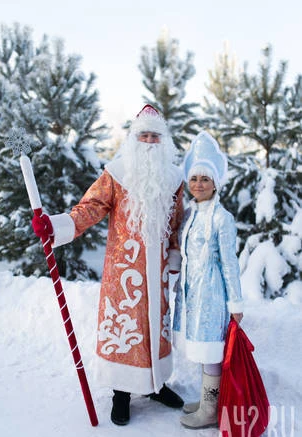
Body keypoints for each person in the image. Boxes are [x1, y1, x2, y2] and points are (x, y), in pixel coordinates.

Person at [32, 104, 184, 426]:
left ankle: (156, 385)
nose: (148, 141)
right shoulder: (116, 173)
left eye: (155, 136)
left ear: (164, 141)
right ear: (132, 138)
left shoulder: (173, 179)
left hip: (157, 275)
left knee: (155, 328)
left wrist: (174, 254)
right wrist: (57, 226)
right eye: (143, 134)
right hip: (123, 271)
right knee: (125, 331)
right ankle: (122, 393)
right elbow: (90, 207)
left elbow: (176, 222)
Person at [172, 131, 244, 429]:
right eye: (194, 179)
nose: (198, 184)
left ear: (215, 183)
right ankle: (206, 400)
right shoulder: (189, 214)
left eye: (205, 179)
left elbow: (229, 262)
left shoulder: (221, 217)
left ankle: (211, 410)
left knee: (211, 348)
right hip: (192, 294)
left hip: (212, 295)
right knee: (201, 347)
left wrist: (235, 303)